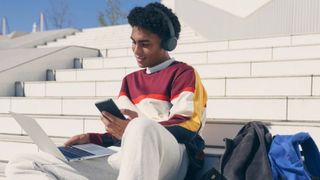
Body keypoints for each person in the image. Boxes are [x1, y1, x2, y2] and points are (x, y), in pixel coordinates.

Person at [5, 2, 207, 180]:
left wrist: (130, 128)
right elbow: (122, 132)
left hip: (172, 159)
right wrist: (93, 139)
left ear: (167, 43)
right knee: (22, 163)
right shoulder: (130, 81)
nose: (136, 51)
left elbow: (188, 127)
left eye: (145, 44)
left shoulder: (183, 73)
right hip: (127, 158)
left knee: (140, 127)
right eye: (133, 42)